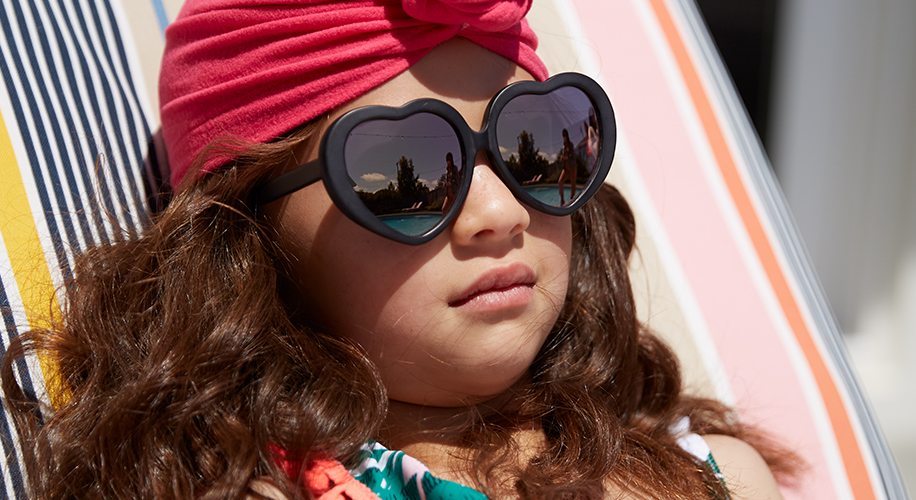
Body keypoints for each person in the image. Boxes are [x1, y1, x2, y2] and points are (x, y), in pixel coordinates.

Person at [1, 0, 796, 499]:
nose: (496, 211)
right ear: (247, 242)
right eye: (401, 172)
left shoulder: (716, 474)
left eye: (535, 145)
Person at [557, 128, 577, 205]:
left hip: (572, 166)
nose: (564, 137)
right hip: (565, 168)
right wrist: (562, 158)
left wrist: (567, 157)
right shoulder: (563, 147)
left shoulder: (570, 145)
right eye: (563, 135)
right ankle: (562, 200)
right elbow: (563, 155)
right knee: (560, 181)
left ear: (567, 136)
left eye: (565, 135)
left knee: (573, 183)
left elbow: (573, 156)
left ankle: (572, 200)